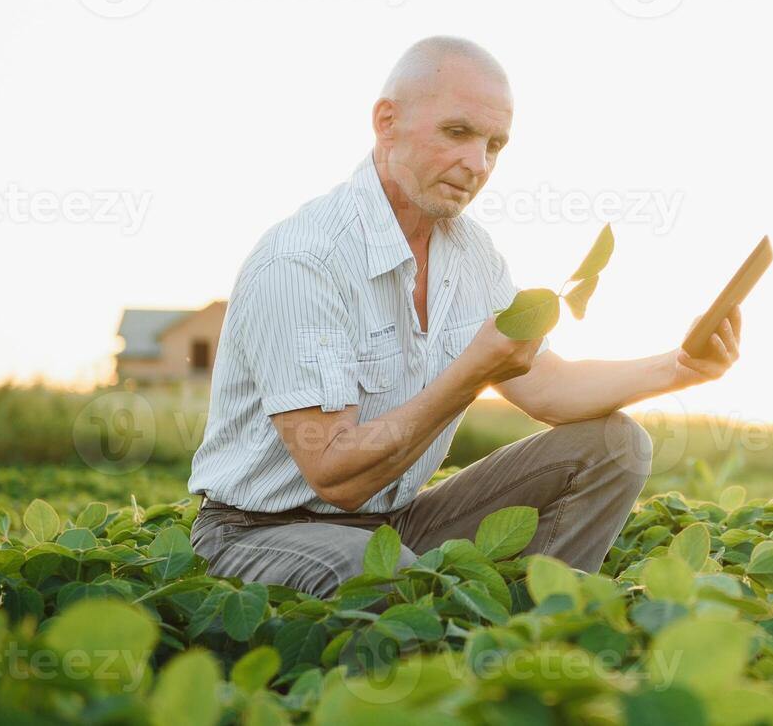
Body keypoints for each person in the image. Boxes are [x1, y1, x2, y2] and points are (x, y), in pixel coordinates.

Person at [187, 35, 741, 598]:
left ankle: (534, 632)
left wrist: (679, 367)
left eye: (494, 145)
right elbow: (336, 475)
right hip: (257, 533)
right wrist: (471, 374)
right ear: (387, 121)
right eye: (457, 133)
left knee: (614, 446)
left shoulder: (472, 254)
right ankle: (460, 639)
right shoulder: (304, 260)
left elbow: (550, 389)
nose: (477, 165)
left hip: (394, 524)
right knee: (377, 571)